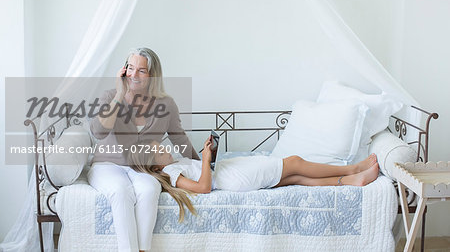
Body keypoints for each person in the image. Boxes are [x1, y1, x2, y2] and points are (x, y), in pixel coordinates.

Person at [88, 48, 199, 252]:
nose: (134, 75)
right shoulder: (110, 96)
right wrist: (120, 95)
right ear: (123, 70)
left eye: (142, 70)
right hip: (107, 165)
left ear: (153, 75)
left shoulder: (166, 104)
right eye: (130, 68)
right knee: (121, 192)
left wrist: (200, 164)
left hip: (143, 168)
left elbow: (179, 137)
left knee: (149, 189)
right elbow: (98, 131)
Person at [130, 137, 379, 222]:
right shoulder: (171, 174)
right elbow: (204, 188)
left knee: (295, 177)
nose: (167, 150)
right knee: (294, 162)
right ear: (155, 164)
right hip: (234, 178)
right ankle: (351, 169)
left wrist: (209, 156)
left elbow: (203, 175)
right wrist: (206, 160)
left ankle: (350, 181)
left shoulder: (173, 166)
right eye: (161, 151)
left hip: (229, 172)